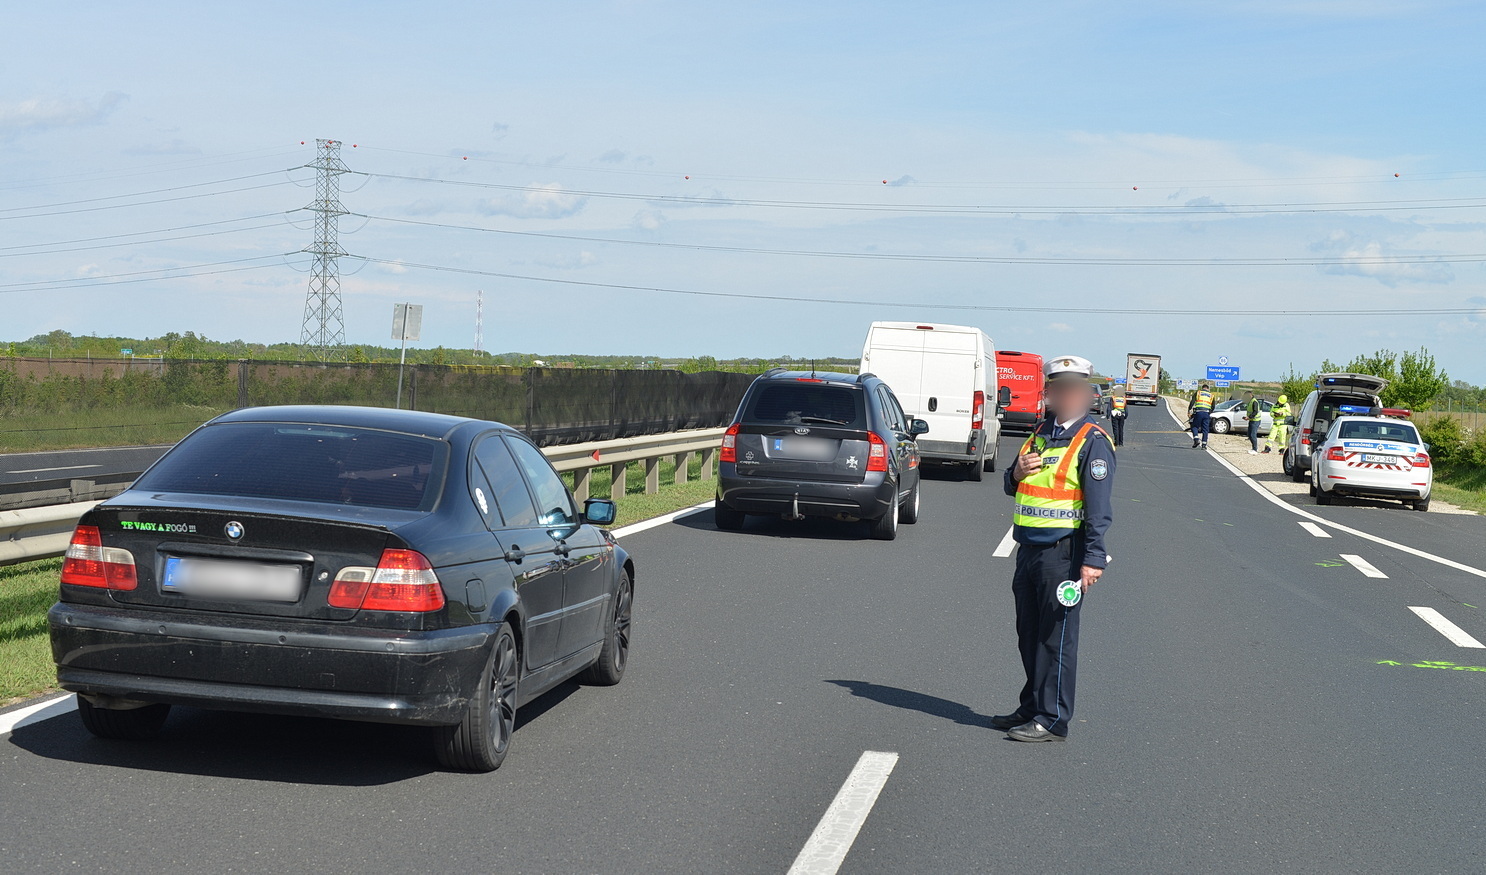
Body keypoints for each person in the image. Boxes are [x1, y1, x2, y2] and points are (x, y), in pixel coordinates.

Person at [995, 355, 1116, 743]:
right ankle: (1031, 705)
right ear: (1048, 393)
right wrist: (1015, 472)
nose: (1064, 395)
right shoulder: (1040, 433)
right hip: (1028, 549)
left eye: (1072, 388)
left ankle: (1052, 718)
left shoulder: (1092, 441)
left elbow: (1098, 508)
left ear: (1083, 393)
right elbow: (1011, 483)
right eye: (1057, 388)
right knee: (1028, 633)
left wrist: (1093, 559)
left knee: (1055, 638)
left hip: (1065, 553)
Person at [1188, 382, 1215, 449]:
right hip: (1206, 413)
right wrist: (1209, 412)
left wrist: (1189, 411)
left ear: (1202, 388)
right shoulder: (1211, 395)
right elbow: (1213, 406)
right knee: (1205, 429)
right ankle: (1204, 445)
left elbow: (1192, 402)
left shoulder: (1198, 393)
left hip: (1199, 412)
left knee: (1194, 426)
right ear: (1208, 389)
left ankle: (1196, 439)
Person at [1244, 390, 1261, 455]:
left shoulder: (1254, 402)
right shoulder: (1250, 401)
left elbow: (1255, 411)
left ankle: (1255, 449)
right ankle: (1253, 448)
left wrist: (1249, 417)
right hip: (1251, 420)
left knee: (1253, 435)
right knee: (1249, 435)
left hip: (1255, 421)